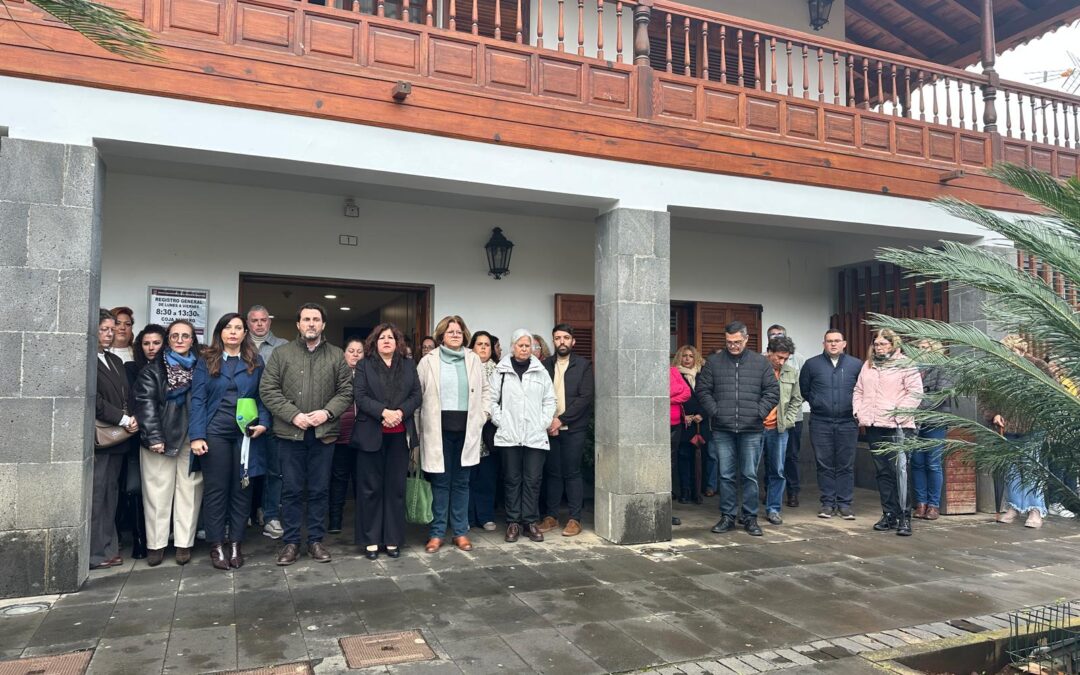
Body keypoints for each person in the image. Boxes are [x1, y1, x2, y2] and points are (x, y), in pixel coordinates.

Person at [260, 303, 353, 565]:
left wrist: (327, 413)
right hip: (290, 434)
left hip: (324, 434)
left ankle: (315, 540)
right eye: (306, 319)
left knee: (319, 490)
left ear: (323, 325)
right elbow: (268, 390)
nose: (311, 324)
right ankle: (290, 542)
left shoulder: (336, 356)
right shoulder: (281, 354)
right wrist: (293, 415)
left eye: (316, 319)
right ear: (298, 325)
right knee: (290, 490)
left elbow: (346, 391)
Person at [190, 313, 270, 569]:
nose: (233, 332)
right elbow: (198, 399)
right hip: (215, 432)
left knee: (242, 488)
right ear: (221, 332)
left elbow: (262, 397)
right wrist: (197, 436)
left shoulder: (254, 361)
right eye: (229, 328)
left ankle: (235, 542)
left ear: (245, 334)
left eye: (238, 328)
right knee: (216, 490)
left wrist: (264, 423)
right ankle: (216, 544)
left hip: (246, 433)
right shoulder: (206, 360)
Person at [697, 322, 779, 537]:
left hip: (751, 428)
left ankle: (750, 518)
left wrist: (758, 412)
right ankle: (727, 516)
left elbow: (772, 391)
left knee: (750, 475)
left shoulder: (760, 363)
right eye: (729, 342)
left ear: (746, 339)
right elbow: (702, 390)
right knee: (725, 475)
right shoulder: (714, 362)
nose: (732, 346)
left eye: (736, 342)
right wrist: (715, 411)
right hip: (722, 428)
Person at [417, 316, 491, 552]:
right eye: (450, 332)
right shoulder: (428, 361)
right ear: (441, 336)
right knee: (440, 482)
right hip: (437, 431)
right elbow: (417, 397)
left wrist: (483, 415)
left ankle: (460, 532)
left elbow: (486, 390)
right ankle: (437, 533)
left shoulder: (473, 360)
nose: (455, 335)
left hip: (466, 430)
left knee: (461, 482)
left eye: (459, 332)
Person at [134, 320, 202, 566]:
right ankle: (156, 545)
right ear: (168, 340)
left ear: (193, 340)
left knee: (189, 491)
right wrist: (154, 437)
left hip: (191, 437)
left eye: (186, 336)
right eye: (175, 336)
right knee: (157, 492)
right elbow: (145, 403)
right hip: (160, 437)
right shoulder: (154, 369)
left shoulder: (201, 367)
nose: (180, 340)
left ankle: (184, 544)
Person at [351, 324, 421, 559]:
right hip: (371, 434)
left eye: (391, 337)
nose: (387, 341)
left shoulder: (409, 365)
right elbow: (360, 396)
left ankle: (392, 539)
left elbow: (416, 396)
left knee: (395, 489)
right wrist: (384, 413)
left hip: (400, 435)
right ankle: (371, 540)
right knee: (370, 489)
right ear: (374, 342)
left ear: (398, 342)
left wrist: (399, 413)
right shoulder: (364, 365)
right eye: (382, 338)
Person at [853, 329, 924, 536]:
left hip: (898, 426)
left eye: (883, 344)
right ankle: (889, 514)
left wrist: (898, 414)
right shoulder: (868, 365)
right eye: (876, 344)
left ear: (893, 344)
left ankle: (904, 517)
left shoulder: (906, 363)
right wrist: (858, 411)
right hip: (874, 424)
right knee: (882, 472)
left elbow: (915, 392)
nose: (879, 347)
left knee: (899, 471)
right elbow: (858, 390)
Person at [491, 329, 556, 543]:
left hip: (535, 435)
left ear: (533, 348)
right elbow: (491, 400)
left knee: (533, 479)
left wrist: (543, 422)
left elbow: (549, 400)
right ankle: (513, 522)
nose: (524, 348)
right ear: (512, 347)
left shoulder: (541, 372)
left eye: (528, 345)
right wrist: (502, 421)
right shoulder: (501, 371)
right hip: (509, 435)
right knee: (511, 479)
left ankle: (530, 522)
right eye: (520, 345)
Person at [92, 309, 139, 570]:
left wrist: (132, 417)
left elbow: (126, 395)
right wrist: (123, 419)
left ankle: (108, 548)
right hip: (103, 438)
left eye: (112, 329)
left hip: (120, 438)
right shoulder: (89, 359)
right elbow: (95, 401)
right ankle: (96, 553)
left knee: (111, 495)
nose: (110, 334)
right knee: (98, 496)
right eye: (104, 329)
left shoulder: (115, 361)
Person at [988, 335, 1050, 529]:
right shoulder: (999, 370)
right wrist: (994, 413)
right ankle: (1014, 507)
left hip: (1032, 425)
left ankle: (1035, 509)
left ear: (1021, 350)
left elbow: (1051, 393)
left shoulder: (1038, 366)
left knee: (1033, 468)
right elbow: (987, 395)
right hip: (1009, 425)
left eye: (1011, 351)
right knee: (1012, 469)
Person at [538, 324, 594, 536]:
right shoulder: (544, 365)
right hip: (549, 428)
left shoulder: (583, 365)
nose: (562, 341)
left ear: (573, 341)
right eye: (558, 338)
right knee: (552, 473)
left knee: (572, 472)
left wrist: (560, 420)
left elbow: (585, 398)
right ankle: (551, 517)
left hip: (573, 429)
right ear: (553, 341)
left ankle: (574, 519)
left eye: (566, 337)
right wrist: (549, 422)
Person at [800, 329, 862, 520]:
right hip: (821, 421)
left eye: (837, 341)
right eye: (829, 341)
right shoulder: (812, 365)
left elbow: (863, 389)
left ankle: (844, 504)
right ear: (824, 344)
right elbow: (805, 389)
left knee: (845, 464)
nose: (833, 344)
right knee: (824, 463)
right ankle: (827, 503)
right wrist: (818, 403)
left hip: (847, 422)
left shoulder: (856, 365)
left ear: (844, 343)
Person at [247, 305, 288, 541]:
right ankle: (244, 513)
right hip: (245, 416)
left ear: (269, 322)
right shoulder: (239, 344)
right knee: (245, 469)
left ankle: (270, 515)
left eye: (264, 320)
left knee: (275, 470)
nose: (259, 324)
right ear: (248, 322)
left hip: (275, 416)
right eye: (254, 320)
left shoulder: (284, 346)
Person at [762, 336, 803, 526]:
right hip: (755, 427)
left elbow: (796, 399)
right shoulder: (757, 369)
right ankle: (749, 510)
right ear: (769, 352)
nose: (782, 362)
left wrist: (787, 420)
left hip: (779, 428)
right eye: (778, 357)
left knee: (777, 470)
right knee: (749, 471)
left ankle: (774, 509)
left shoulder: (791, 372)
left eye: (785, 358)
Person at [913, 339, 953, 521]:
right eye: (919, 348)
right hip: (914, 422)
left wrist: (915, 405)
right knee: (917, 463)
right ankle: (921, 503)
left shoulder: (943, 367)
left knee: (933, 463)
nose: (921, 350)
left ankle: (933, 505)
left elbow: (941, 394)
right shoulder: (912, 367)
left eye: (925, 348)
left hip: (935, 420)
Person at [329, 336, 364, 534]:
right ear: (344, 354)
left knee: (362, 480)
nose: (355, 354)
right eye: (351, 350)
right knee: (338, 479)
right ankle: (335, 520)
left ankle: (364, 521)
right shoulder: (336, 374)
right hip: (340, 435)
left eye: (359, 351)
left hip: (363, 437)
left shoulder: (368, 374)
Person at [468, 330, 499, 532]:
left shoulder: (500, 370)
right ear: (472, 347)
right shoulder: (466, 368)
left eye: (487, 344)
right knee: (468, 479)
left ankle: (486, 516)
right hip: (468, 431)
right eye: (479, 344)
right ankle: (468, 517)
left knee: (487, 478)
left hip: (491, 432)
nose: (483, 348)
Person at [672, 345, 705, 505]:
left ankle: (697, 491)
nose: (687, 359)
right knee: (683, 457)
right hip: (683, 423)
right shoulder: (675, 374)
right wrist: (685, 416)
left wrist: (701, 414)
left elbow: (708, 396)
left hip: (700, 423)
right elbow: (676, 396)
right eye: (684, 356)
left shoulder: (702, 375)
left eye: (691, 356)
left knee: (699, 458)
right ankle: (685, 490)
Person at [669, 364, 692, 526]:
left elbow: (686, 393)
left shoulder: (673, 371)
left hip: (675, 425)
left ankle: (667, 510)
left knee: (670, 466)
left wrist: (668, 398)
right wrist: (674, 391)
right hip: (657, 424)